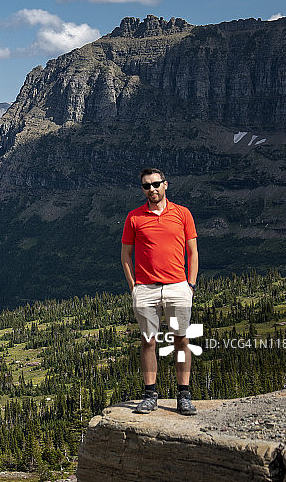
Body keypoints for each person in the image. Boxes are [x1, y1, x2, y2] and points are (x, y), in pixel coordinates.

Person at [120, 168, 199, 416]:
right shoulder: (134, 217)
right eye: (146, 186)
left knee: (181, 340)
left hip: (178, 286)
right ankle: (150, 395)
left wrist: (190, 285)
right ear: (142, 189)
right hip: (146, 289)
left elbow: (193, 252)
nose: (152, 189)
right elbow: (125, 255)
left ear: (166, 184)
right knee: (148, 341)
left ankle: (183, 395)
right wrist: (134, 287)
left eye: (155, 184)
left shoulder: (183, 213)